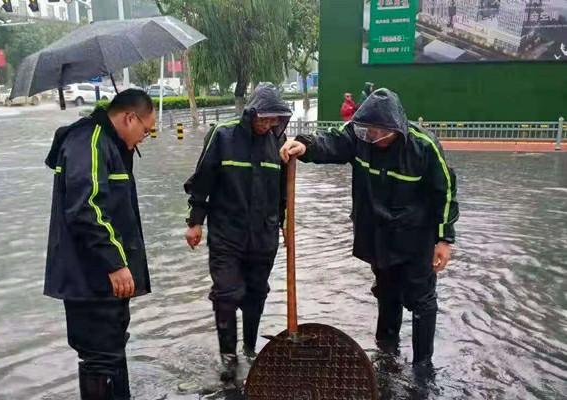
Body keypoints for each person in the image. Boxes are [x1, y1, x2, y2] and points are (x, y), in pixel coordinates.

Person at [280, 88, 459, 365]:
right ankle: (387, 353)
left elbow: (445, 192)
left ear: (394, 129)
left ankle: (423, 364)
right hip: (378, 235)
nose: (370, 138)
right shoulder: (358, 136)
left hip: (415, 238)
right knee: (386, 292)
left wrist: (444, 240)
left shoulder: (423, 147)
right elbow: (333, 143)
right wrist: (305, 146)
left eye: (376, 133)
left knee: (421, 299)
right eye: (366, 132)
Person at [43, 89, 155, 400]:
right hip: (89, 275)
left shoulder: (110, 143)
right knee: (97, 357)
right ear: (129, 118)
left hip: (108, 276)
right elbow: (85, 208)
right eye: (146, 130)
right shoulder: (87, 141)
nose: (145, 137)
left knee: (112, 345)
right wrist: (114, 263)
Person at [184, 83, 292, 382]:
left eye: (274, 120)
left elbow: (282, 191)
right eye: (264, 119)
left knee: (256, 294)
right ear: (252, 112)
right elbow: (202, 180)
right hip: (226, 234)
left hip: (263, 236)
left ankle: (250, 350)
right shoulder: (223, 135)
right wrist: (195, 222)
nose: (268, 125)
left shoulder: (277, 144)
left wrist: (283, 221)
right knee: (227, 294)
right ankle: (229, 359)